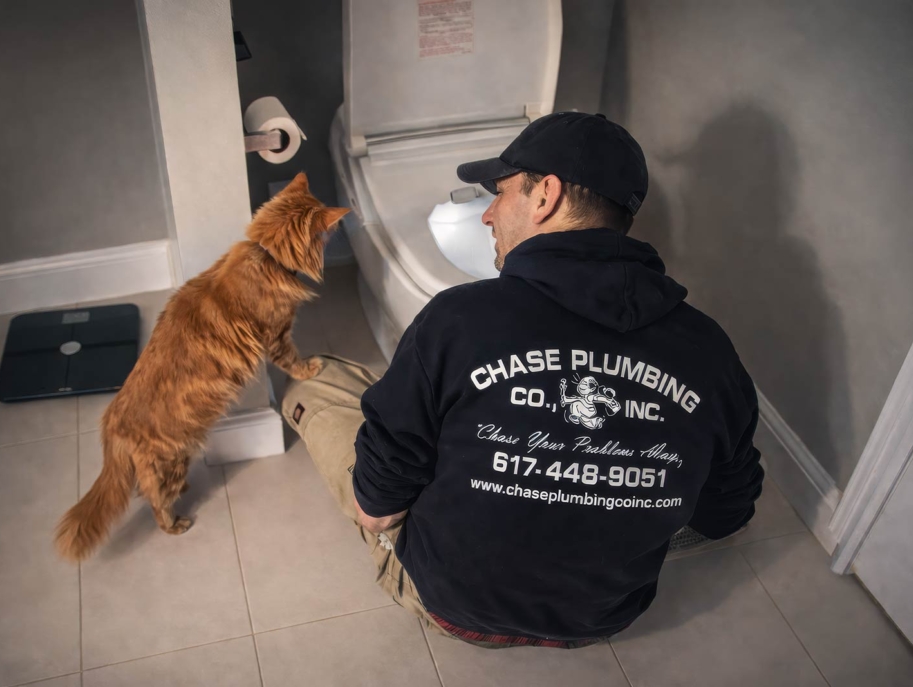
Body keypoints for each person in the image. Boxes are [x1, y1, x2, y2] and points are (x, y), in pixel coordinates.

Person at [281, 112, 763, 648]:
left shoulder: (456, 321)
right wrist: (615, 498)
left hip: (457, 610)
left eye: (501, 193)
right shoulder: (709, 350)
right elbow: (725, 514)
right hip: (600, 617)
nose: (488, 215)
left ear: (546, 196)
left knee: (321, 381)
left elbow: (376, 511)